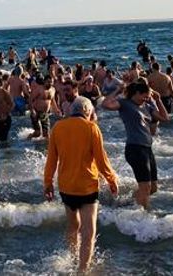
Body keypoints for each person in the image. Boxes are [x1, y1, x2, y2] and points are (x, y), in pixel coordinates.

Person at [44, 96, 118, 274]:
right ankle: (82, 270)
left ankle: (74, 256)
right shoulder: (92, 128)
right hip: (87, 186)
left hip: (66, 187)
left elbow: (51, 160)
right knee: (88, 231)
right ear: (87, 110)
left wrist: (48, 184)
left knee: (72, 226)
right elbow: (102, 160)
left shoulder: (58, 127)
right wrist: (112, 179)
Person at [102, 79, 168, 209]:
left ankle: (126, 203)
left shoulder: (147, 107)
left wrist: (158, 100)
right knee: (145, 187)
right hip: (135, 149)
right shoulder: (125, 104)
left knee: (153, 188)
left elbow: (165, 118)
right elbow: (105, 104)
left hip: (148, 149)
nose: (147, 98)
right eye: (145, 96)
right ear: (137, 93)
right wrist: (117, 90)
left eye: (148, 96)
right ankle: (145, 215)